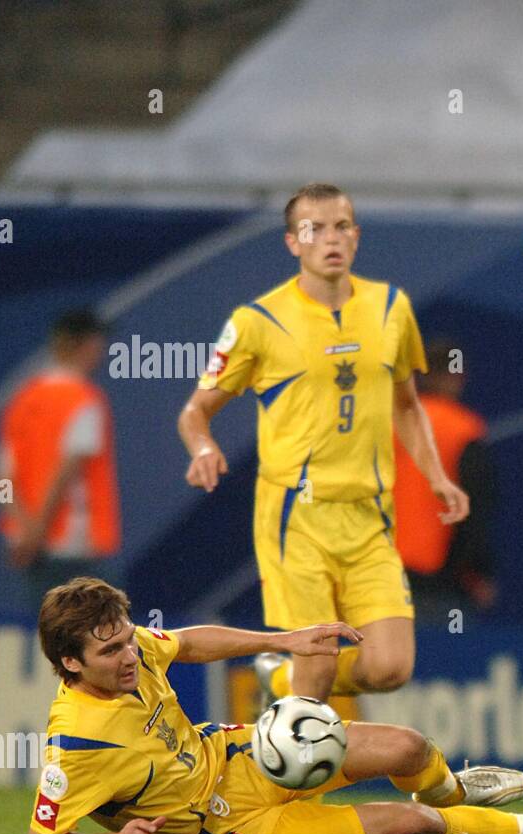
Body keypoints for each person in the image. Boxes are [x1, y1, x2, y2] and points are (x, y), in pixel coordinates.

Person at [26, 577, 523, 834]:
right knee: (411, 823)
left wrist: (288, 640)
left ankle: (461, 788)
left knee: (408, 749)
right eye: (111, 653)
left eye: (130, 642)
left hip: (241, 757)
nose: (131, 656)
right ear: (70, 662)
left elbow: (189, 643)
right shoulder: (76, 742)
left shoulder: (131, 651)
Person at [177, 183, 468, 704]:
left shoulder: (390, 308)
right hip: (296, 516)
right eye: (314, 229)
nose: (329, 238)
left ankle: (280, 678)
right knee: (318, 665)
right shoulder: (257, 323)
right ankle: (293, 770)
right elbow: (195, 411)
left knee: (389, 667)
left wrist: (437, 477)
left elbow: (406, 405)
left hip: (368, 515)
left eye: (340, 226)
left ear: (355, 237)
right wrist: (202, 448)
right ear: (293, 242)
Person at [0, 308, 121, 603]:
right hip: (72, 543)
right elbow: (66, 472)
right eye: (97, 342)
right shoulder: (82, 399)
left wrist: (19, 524)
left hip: (30, 542)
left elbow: (3, 478)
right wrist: (38, 530)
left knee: (46, 628)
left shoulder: (25, 398)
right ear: (84, 345)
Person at [393, 340, 499, 623]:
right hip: (437, 578)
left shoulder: (386, 421)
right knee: (438, 660)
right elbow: (475, 508)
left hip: (377, 572)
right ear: (455, 377)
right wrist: (478, 572)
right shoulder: (463, 429)